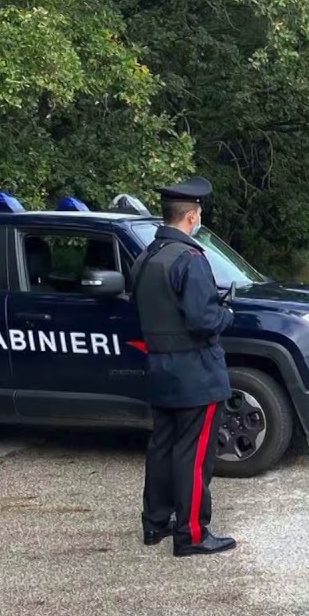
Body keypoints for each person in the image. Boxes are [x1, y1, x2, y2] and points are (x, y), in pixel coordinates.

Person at [129, 175, 237, 557]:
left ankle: (155, 522)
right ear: (192, 216)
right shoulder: (190, 259)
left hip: (159, 367)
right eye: (199, 213)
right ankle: (191, 534)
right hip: (196, 372)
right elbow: (203, 320)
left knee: (162, 446)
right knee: (193, 454)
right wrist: (226, 313)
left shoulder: (146, 257)